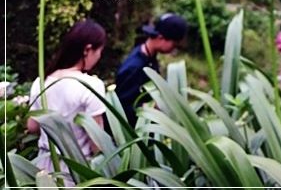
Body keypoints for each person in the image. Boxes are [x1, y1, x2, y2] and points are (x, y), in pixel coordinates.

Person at [27, 20, 108, 177]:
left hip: (43, 169)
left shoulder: (42, 81)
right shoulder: (91, 85)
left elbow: (32, 127)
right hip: (78, 170)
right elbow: (97, 143)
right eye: (99, 51)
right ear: (88, 49)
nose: (99, 57)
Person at [115, 12, 187, 124]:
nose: (174, 50)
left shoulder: (149, 57)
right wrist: (151, 108)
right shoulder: (135, 67)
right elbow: (122, 106)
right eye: (174, 45)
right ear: (161, 38)